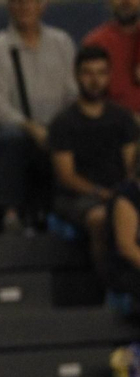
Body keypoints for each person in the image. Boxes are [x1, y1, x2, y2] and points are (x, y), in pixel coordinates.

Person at [0, 0, 76, 232]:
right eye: (18, 2)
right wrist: (30, 127)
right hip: (20, 129)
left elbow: (73, 94)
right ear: (9, 6)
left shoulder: (62, 43)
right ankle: (11, 213)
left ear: (43, 5)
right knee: (10, 137)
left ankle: (68, 211)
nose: (24, 7)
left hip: (58, 127)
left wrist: (59, 128)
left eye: (30, 1)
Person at [50, 45, 138, 269]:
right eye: (88, 73)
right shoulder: (63, 123)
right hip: (78, 197)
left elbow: (132, 165)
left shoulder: (122, 118)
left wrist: (123, 195)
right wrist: (102, 193)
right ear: (77, 75)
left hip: (120, 192)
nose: (95, 80)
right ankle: (108, 286)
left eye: (101, 73)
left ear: (109, 76)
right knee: (99, 219)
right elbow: (66, 176)